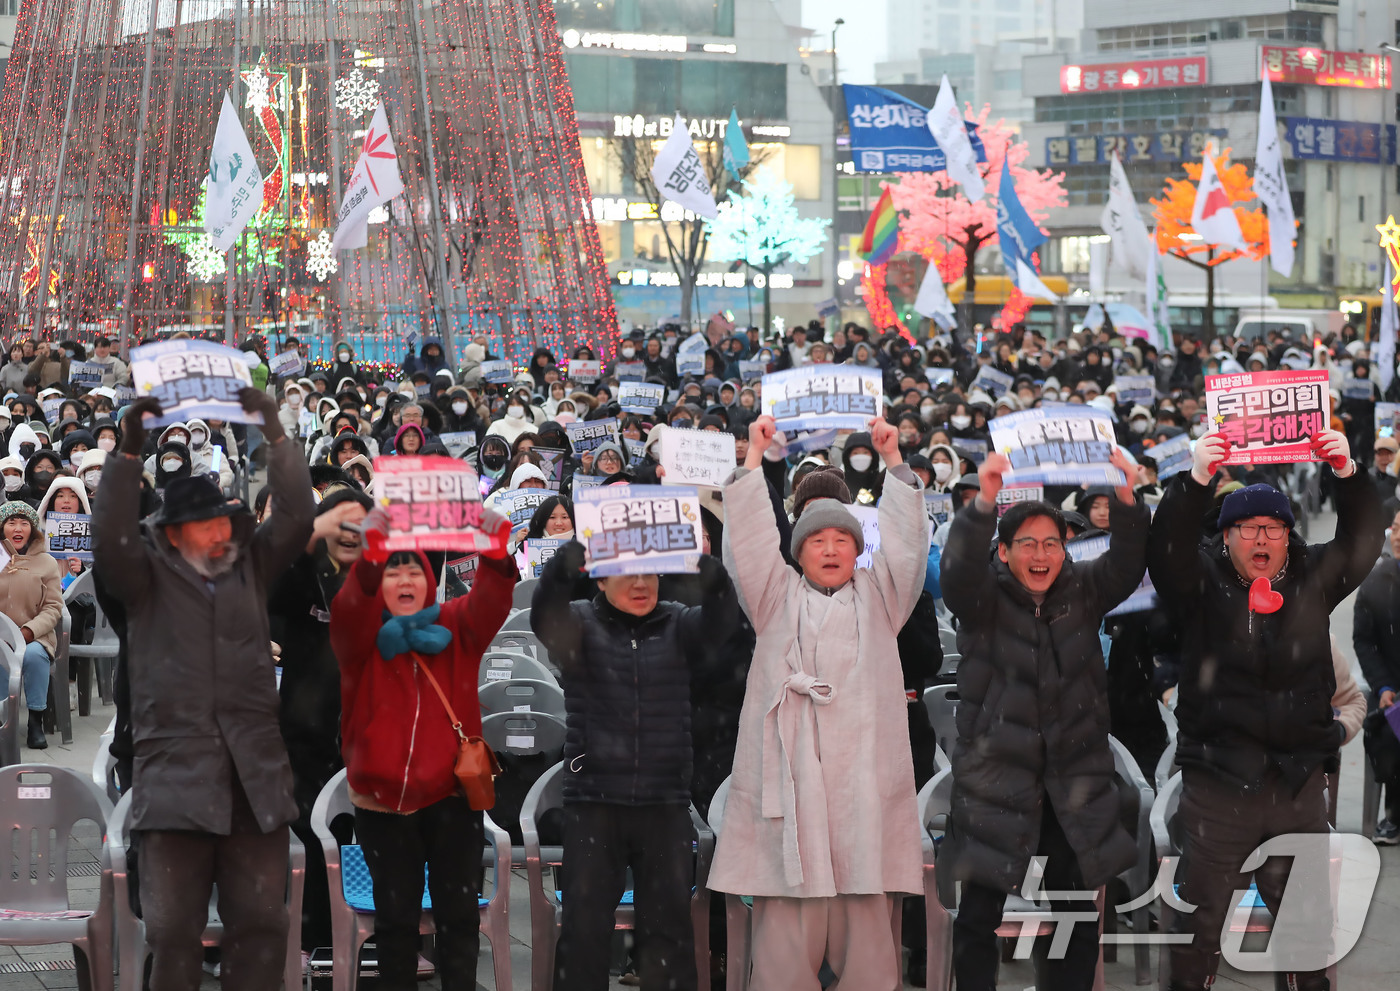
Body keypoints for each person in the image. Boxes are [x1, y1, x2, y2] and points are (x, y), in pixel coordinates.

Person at [92, 390, 314, 991]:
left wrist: (274, 428)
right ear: (170, 533)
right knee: (172, 932)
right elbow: (110, 539)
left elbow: (295, 518)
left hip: (255, 782)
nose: (212, 532)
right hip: (174, 782)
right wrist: (127, 453)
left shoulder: (253, 565)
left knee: (264, 924)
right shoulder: (143, 581)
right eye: (197, 525)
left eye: (219, 521)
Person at [1148, 428, 1382, 991]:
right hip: (1218, 784)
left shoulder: (1311, 577)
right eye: (1248, 529)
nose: (1262, 539)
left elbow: (1363, 540)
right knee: (1199, 929)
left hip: (1298, 784)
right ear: (1227, 535)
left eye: (1274, 529)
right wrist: (1196, 481)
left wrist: (1347, 475)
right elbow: (1166, 553)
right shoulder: (1201, 581)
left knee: (1306, 932)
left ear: (1287, 536)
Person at [708, 414, 927, 990]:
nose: (829, 549)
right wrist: (753, 460)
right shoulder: (774, 596)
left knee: (869, 943)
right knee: (785, 942)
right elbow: (751, 547)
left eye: (842, 540)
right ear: (799, 551)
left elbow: (906, 548)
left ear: (858, 550)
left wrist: (895, 463)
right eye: (817, 541)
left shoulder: (882, 598)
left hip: (861, 792)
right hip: (794, 788)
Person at [940, 448, 1146, 991]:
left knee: (1076, 915)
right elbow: (957, 570)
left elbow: (1128, 561)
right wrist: (984, 499)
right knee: (979, 917)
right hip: (995, 780)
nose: (1040, 554)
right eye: (1026, 543)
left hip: (1073, 781)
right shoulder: (982, 598)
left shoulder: (1085, 590)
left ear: (1066, 548)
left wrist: (1126, 494)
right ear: (1003, 552)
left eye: (1051, 543)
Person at [531, 536, 738, 991]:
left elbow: (724, 621)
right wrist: (568, 562)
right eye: (627, 572)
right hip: (593, 804)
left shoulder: (680, 625)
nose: (640, 583)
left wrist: (704, 565)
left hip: (665, 804)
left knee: (668, 934)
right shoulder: (579, 624)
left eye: (649, 572)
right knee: (584, 933)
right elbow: (544, 614)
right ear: (601, 578)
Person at [330, 507, 516, 991]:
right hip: (382, 806)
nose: (405, 578)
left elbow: (493, 601)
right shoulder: (360, 639)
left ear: (431, 581)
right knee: (395, 925)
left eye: (415, 569)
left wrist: (495, 553)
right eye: (394, 570)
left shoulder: (457, 627)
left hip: (452, 800)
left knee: (459, 921)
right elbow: (351, 604)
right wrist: (371, 558)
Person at [1352, 507, 1400, 843]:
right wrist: (1382, 684)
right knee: (1388, 740)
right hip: (1393, 690)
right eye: (1396, 528)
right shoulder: (1375, 584)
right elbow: (1364, 640)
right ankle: (1394, 816)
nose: (1397, 536)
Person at [0, 500, 63, 749]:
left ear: (32, 529)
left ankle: (35, 721)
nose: (18, 528)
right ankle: (4, 719)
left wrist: (28, 631)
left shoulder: (46, 562)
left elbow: (53, 607)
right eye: (11, 522)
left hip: (35, 635)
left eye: (24, 523)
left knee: (36, 656)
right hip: (0, 636)